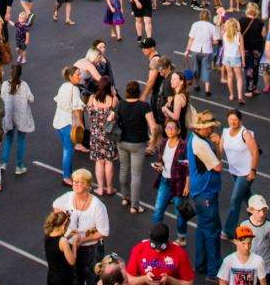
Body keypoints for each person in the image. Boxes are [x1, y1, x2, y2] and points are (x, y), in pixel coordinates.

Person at [186, 111, 225, 279]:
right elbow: (218, 166)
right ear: (203, 128)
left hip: (200, 191)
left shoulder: (194, 139)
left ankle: (200, 264)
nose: (211, 130)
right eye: (209, 128)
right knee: (212, 231)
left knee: (202, 229)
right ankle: (214, 270)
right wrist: (218, 145)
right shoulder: (201, 144)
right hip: (206, 192)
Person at [52, 169, 110, 280]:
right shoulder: (68, 196)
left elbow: (103, 232)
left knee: (93, 278)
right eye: (75, 181)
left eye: (81, 182)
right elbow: (55, 205)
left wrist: (83, 240)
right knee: (74, 279)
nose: (76, 185)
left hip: (92, 250)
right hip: (70, 246)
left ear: (88, 186)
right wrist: (65, 223)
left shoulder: (98, 206)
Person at [116, 79, 156, 214]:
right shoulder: (144, 106)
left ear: (127, 92)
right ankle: (134, 205)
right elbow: (153, 127)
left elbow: (112, 118)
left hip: (122, 142)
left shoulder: (121, 104)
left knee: (123, 170)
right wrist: (152, 142)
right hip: (138, 144)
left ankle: (124, 197)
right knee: (136, 175)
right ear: (138, 92)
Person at [220, 109, 260, 240]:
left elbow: (255, 152)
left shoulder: (245, 134)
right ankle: (260, 218)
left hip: (246, 173)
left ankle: (228, 231)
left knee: (235, 199)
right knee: (247, 198)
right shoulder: (225, 132)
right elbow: (219, 150)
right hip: (235, 171)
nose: (233, 121)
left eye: (235, 119)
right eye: (230, 119)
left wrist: (253, 171)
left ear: (240, 121)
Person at [150, 118, 190, 245]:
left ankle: (182, 237)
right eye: (167, 127)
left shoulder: (184, 147)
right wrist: (159, 165)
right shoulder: (163, 143)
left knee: (180, 213)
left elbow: (188, 167)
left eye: (172, 128)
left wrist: (187, 185)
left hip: (179, 183)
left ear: (178, 130)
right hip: (165, 181)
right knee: (157, 210)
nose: (169, 130)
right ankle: (157, 237)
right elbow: (162, 161)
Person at [124, 222, 194, 285]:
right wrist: (144, 279)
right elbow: (129, 279)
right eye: (154, 246)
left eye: (161, 246)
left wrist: (170, 280)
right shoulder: (139, 249)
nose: (158, 250)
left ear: (167, 239)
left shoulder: (180, 253)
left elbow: (189, 282)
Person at [52, 66, 87, 186]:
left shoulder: (63, 86)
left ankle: (69, 173)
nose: (80, 76)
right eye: (77, 74)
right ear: (71, 77)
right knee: (68, 150)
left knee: (68, 149)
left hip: (58, 121)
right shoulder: (74, 89)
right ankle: (67, 177)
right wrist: (80, 123)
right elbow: (77, 108)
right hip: (68, 122)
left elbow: (57, 100)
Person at [0, 63, 35, 178]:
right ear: (20, 73)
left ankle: (4, 163)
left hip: (9, 116)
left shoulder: (5, 85)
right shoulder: (24, 85)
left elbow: (1, 98)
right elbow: (31, 99)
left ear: (11, 72)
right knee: (21, 140)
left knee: (8, 139)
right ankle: (19, 166)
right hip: (21, 117)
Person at [238, 194, 270, 277]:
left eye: (264, 210)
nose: (262, 214)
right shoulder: (243, 225)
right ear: (251, 210)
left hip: (265, 271)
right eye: (259, 211)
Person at [43, 208, 83, 285]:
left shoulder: (48, 234)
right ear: (63, 225)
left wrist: (69, 236)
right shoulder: (63, 241)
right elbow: (72, 261)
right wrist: (74, 242)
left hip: (51, 276)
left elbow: (56, 246)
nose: (67, 228)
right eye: (67, 225)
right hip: (63, 279)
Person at [186, 9, 219, 98]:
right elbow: (216, 41)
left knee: (196, 68)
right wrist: (210, 42)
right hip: (207, 50)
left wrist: (187, 50)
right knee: (206, 69)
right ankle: (207, 90)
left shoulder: (195, 25)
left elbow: (191, 38)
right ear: (209, 17)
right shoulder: (212, 27)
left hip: (195, 49)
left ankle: (196, 85)